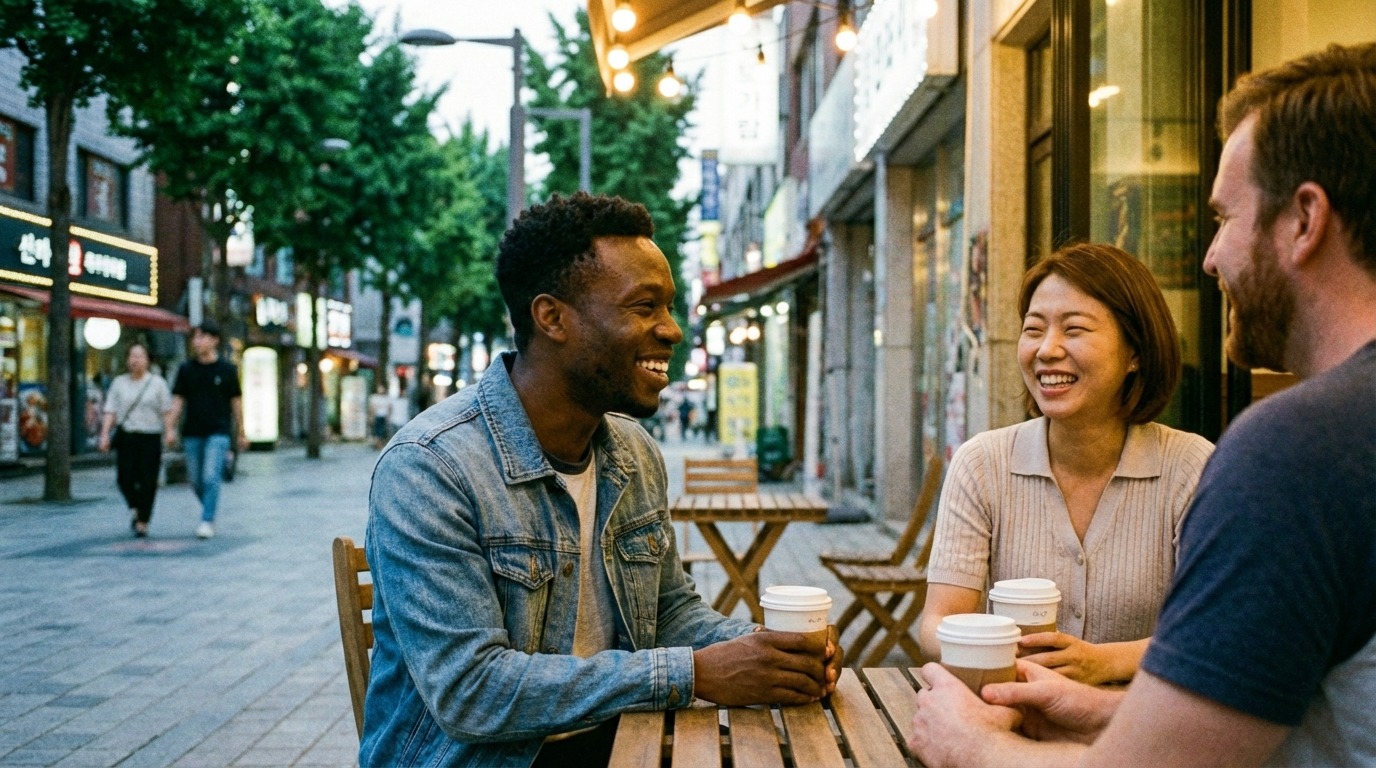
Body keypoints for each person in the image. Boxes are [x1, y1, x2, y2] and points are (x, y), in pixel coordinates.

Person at [907, 41, 1376, 767]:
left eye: (1226, 217)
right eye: (1035, 328)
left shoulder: (1298, 451)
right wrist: (1104, 706)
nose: (1210, 257)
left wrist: (969, 744)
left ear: (1305, 219)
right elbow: (1282, 701)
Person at [362, 193, 843, 768]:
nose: (671, 330)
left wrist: (766, 653)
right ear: (552, 317)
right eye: (645, 306)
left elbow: (669, 614)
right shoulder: (431, 466)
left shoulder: (634, 452)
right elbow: (472, 693)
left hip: (623, 748)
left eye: (669, 307)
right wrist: (692, 674)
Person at [919, 243, 1214, 685]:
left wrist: (1104, 663)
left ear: (1135, 352)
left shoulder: (1191, 468)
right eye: (1033, 329)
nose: (1047, 350)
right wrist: (997, 654)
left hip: (1139, 732)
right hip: (1012, 715)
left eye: (1074, 330)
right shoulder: (981, 464)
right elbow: (937, 622)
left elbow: (1216, 630)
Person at [167, 322, 247, 540]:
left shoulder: (227, 370)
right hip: (192, 432)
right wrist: (170, 428)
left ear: (214, 340)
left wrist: (241, 432)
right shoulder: (186, 370)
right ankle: (208, 510)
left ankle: (206, 519)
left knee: (211, 476)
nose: (197, 341)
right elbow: (178, 401)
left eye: (202, 337)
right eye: (195, 337)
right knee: (195, 480)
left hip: (218, 432)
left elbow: (236, 403)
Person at [98, 342, 174, 537]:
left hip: (150, 436)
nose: (135, 360)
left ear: (148, 360)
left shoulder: (157, 383)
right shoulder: (119, 383)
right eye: (132, 356)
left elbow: (166, 411)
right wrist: (105, 433)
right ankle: (135, 507)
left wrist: (169, 431)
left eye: (140, 356)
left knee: (148, 480)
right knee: (124, 478)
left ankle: (143, 521)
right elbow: (110, 410)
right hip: (127, 436)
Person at [368, 384, 391, 449]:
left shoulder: (387, 398)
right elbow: (371, 408)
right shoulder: (374, 397)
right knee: (377, 431)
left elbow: (389, 407)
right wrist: (371, 417)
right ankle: (378, 444)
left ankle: (379, 443)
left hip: (384, 416)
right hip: (377, 416)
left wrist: (389, 417)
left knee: (382, 431)